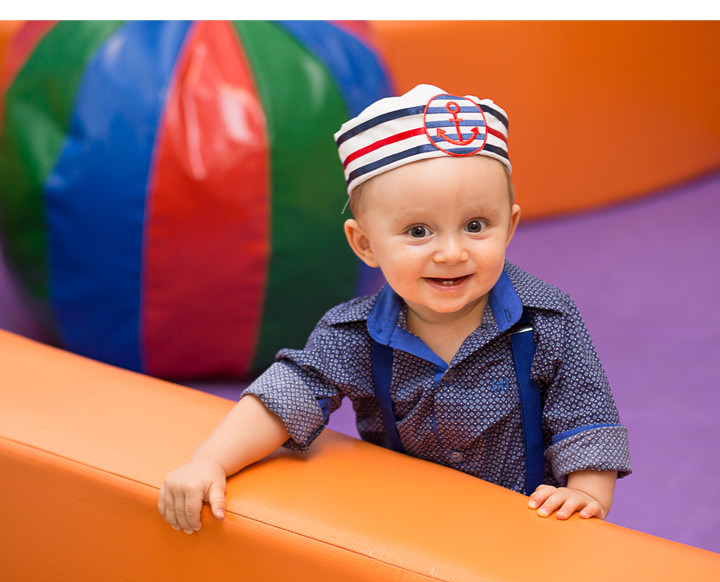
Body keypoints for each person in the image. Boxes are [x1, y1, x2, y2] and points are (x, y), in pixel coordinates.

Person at [158, 84, 631, 534]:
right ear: (364, 244)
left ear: (509, 228)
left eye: (475, 225)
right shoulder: (352, 334)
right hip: (404, 527)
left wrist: (587, 497)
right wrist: (210, 461)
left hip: (520, 529)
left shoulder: (547, 321)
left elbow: (586, 418)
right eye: (418, 232)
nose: (451, 253)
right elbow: (287, 397)